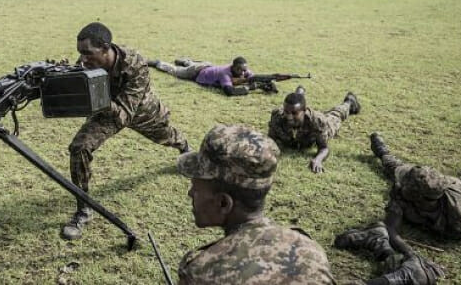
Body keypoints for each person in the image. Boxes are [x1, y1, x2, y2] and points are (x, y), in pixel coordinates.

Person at [62, 22, 190, 240]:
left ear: (105, 48)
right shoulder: (87, 63)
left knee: (165, 136)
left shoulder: (135, 63)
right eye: (80, 53)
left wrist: (99, 98)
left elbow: (124, 113)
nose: (82, 59)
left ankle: (184, 147)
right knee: (79, 148)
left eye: (87, 53)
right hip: (105, 111)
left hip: (140, 109)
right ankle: (84, 209)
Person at [177, 124, 335, 284]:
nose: (190, 193)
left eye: (195, 188)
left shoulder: (202, 272)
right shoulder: (312, 253)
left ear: (223, 203)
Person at [370, 132, 461, 269]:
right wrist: (411, 254)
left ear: (416, 196)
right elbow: (391, 229)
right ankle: (381, 149)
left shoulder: (460, 210)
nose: (400, 186)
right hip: (447, 184)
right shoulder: (403, 194)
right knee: (393, 165)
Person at [268, 86, 360, 173]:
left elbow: (324, 148)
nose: (289, 116)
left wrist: (317, 160)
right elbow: (270, 140)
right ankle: (299, 94)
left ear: (304, 111)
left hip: (322, 126)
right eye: (286, 112)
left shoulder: (317, 121)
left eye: (294, 113)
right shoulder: (277, 116)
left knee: (336, 115)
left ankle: (349, 102)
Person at [148, 57, 273, 96]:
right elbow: (229, 91)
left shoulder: (243, 71)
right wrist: (252, 88)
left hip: (208, 67)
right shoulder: (225, 73)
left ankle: (186, 61)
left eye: (243, 70)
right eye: (239, 70)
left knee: (193, 65)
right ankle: (157, 63)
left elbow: (254, 77)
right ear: (233, 66)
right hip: (196, 72)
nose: (242, 72)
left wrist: (268, 81)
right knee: (175, 71)